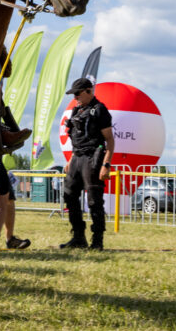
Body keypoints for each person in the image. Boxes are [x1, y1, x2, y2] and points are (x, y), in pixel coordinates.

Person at [59, 78, 114, 251]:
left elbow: (109, 140)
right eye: (73, 94)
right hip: (77, 157)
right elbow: (76, 139)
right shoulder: (76, 110)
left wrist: (106, 165)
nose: (75, 97)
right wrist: (70, 160)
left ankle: (97, 241)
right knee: (69, 195)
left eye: (77, 93)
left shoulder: (100, 110)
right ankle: (78, 237)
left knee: (93, 201)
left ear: (88, 91)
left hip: (93, 157)